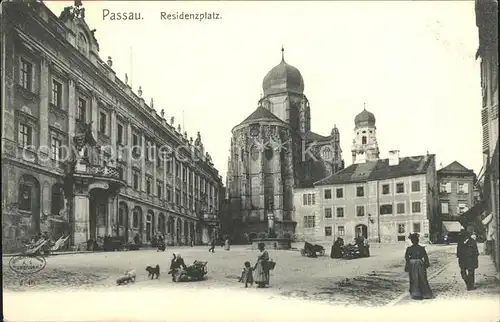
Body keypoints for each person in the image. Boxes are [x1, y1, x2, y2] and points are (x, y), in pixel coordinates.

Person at [404, 233, 433, 300]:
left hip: (412, 264)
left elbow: (406, 257)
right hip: (420, 263)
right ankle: (426, 294)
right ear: (417, 240)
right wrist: (426, 264)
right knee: (422, 278)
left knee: (414, 278)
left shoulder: (409, 248)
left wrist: (408, 264)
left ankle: (416, 294)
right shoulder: (421, 248)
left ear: (412, 241)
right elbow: (425, 257)